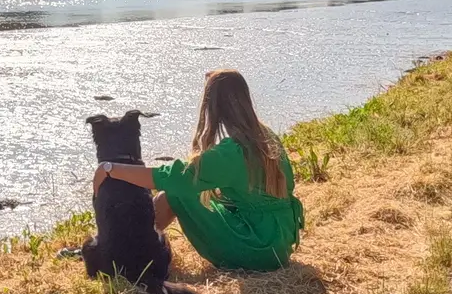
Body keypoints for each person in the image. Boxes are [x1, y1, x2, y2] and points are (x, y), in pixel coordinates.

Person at [91, 69, 304, 271]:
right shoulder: (265, 136)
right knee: (199, 190)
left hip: (256, 248)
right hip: (280, 241)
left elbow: (172, 178)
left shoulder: (232, 152)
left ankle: (124, 248)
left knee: (174, 193)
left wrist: (110, 168)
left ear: (213, 109)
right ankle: (122, 243)